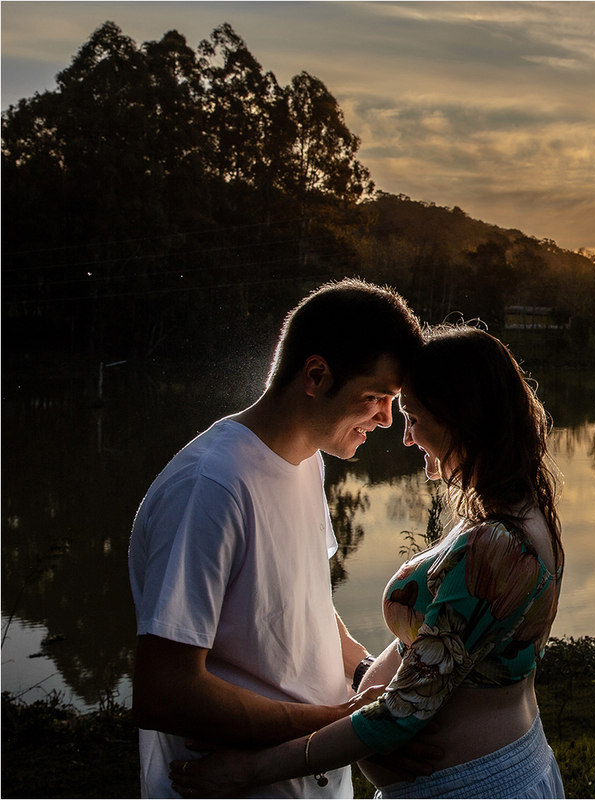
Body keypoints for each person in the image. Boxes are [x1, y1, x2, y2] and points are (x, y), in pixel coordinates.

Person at [168, 324, 566, 799]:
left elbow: (403, 711)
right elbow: (436, 649)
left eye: (414, 418)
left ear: (461, 417)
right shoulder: (507, 513)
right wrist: (361, 678)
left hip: (472, 787)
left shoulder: (499, 547)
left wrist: (252, 769)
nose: (406, 437)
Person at [129, 278, 434, 798]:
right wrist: (339, 723)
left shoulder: (307, 461)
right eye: (375, 398)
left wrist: (363, 676)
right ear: (315, 375)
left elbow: (304, 601)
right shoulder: (211, 486)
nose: (386, 419)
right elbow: (167, 691)